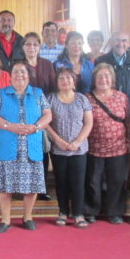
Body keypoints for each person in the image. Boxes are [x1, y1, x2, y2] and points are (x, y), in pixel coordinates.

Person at [0, 61, 52, 232]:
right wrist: (10, 126)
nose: (19, 75)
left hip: (30, 147)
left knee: (31, 186)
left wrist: (36, 127)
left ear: (28, 76)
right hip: (5, 146)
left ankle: (27, 217)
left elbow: (48, 115)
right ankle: (5, 219)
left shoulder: (38, 94)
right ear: (10, 76)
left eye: (23, 72)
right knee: (4, 185)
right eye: (16, 72)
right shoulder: (1, 94)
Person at [85, 63, 130, 224]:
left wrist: (129, 141)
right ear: (94, 79)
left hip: (119, 147)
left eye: (106, 76)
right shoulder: (87, 98)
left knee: (117, 181)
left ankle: (115, 212)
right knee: (93, 182)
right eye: (99, 76)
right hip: (94, 148)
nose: (103, 79)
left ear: (112, 79)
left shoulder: (122, 97)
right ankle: (92, 211)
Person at [46, 68, 93, 228]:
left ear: (74, 81)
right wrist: (57, 140)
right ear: (57, 82)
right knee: (61, 182)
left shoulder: (82, 99)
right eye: (61, 78)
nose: (65, 80)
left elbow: (88, 123)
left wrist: (78, 141)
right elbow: (46, 123)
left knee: (78, 182)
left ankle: (78, 213)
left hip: (79, 149)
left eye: (68, 78)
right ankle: (63, 212)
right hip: (58, 148)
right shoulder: (50, 99)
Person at [95, 31, 130, 98]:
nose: (120, 44)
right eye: (117, 40)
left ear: (129, 44)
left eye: (124, 41)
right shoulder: (100, 61)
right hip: (109, 103)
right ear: (111, 42)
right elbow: (96, 86)